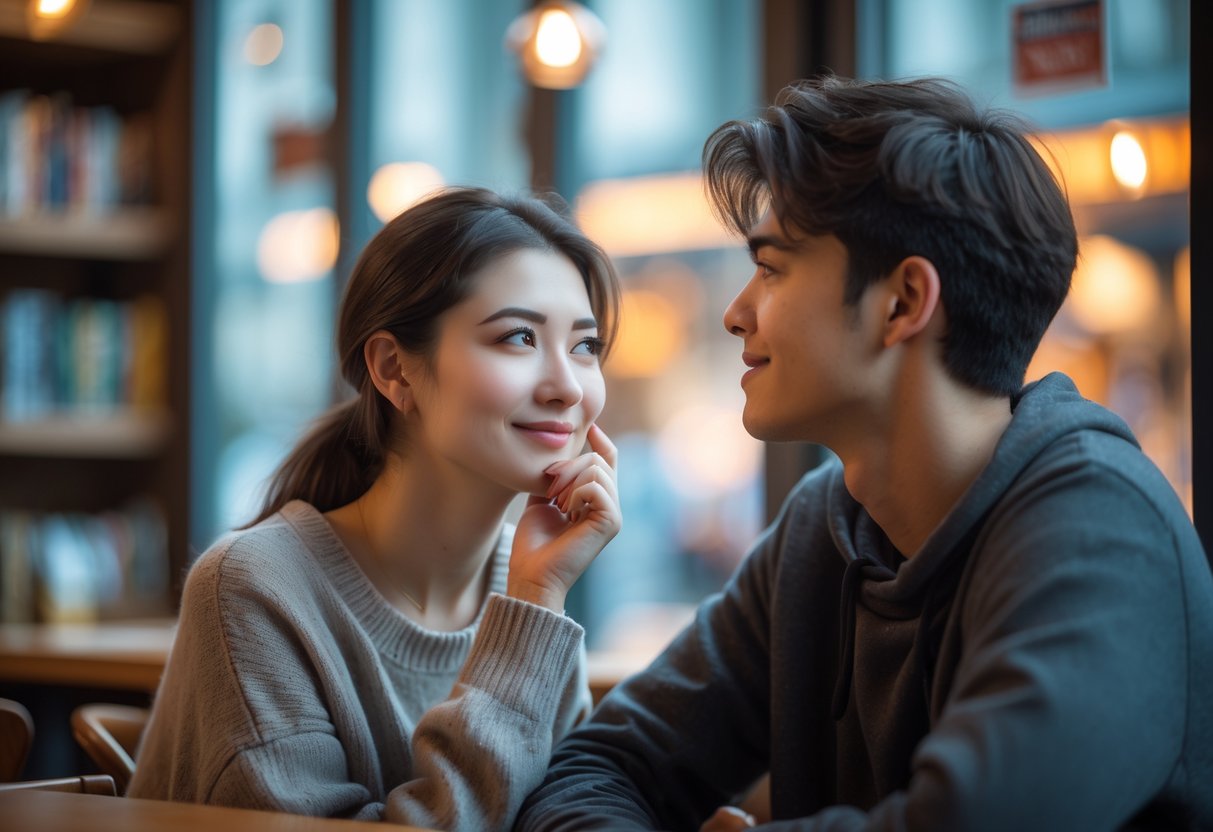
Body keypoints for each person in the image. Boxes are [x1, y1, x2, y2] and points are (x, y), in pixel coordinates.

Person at [516, 76, 1213, 831]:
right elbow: (600, 767)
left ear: (903, 303)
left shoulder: (1102, 534)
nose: (734, 311)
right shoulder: (827, 527)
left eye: (772, 267)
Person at [129, 187, 623, 832]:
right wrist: (531, 608)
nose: (566, 386)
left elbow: (561, 809)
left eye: (585, 346)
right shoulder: (250, 587)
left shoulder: (533, 575)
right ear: (395, 369)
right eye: (519, 337)